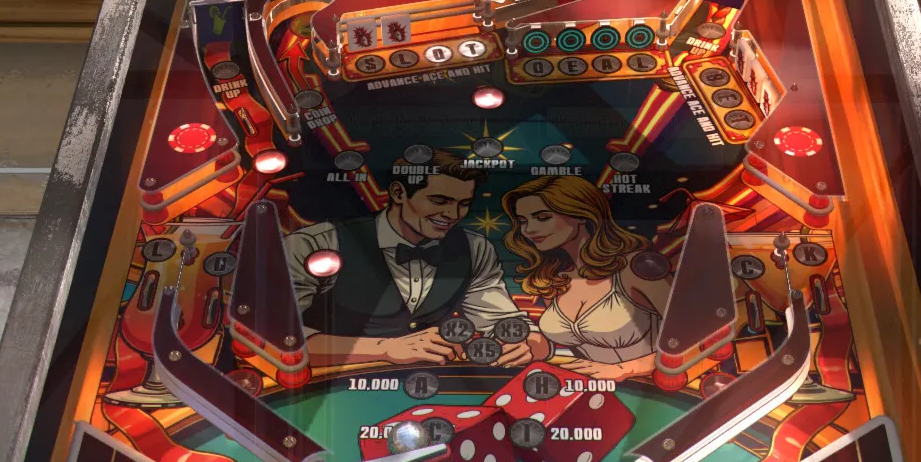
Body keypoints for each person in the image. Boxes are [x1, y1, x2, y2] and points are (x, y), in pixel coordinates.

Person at [285, 158, 535, 367]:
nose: (453, 214)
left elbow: (504, 321)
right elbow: (278, 338)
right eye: (439, 201)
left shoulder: (474, 247)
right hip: (331, 389)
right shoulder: (315, 243)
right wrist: (383, 349)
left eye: (464, 204)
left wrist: (528, 343)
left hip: (430, 384)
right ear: (399, 193)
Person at [502, 175, 672, 381]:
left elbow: (696, 339)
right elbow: (567, 342)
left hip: (656, 389)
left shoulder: (635, 267)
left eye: (543, 217)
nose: (529, 230)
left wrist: (626, 368)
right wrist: (533, 345)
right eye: (523, 221)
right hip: (588, 388)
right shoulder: (553, 278)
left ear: (581, 215)